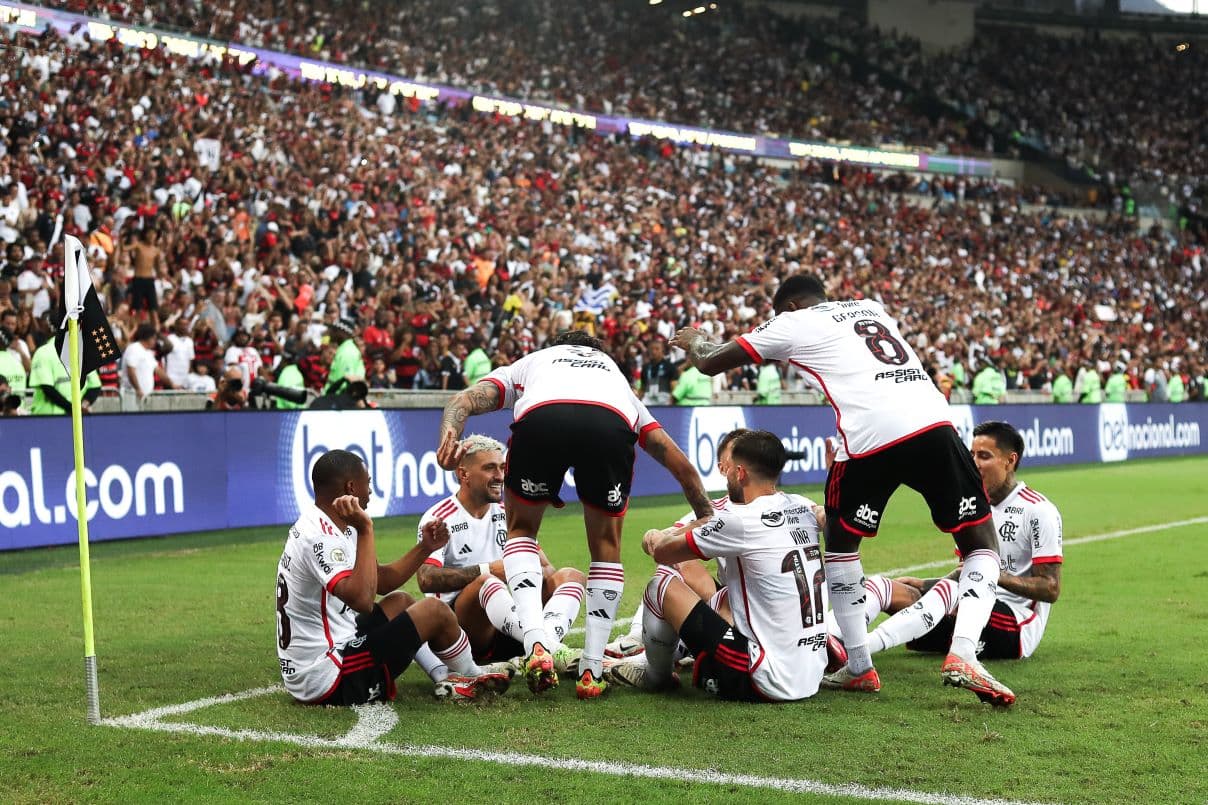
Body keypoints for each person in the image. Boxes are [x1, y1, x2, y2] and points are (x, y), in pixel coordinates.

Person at [672, 273, 1016, 706]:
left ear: (791, 306)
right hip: (933, 422)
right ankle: (965, 651)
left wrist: (696, 340)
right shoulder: (872, 306)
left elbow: (710, 361)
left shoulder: (794, 321)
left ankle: (859, 666)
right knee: (979, 544)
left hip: (870, 435)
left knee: (839, 545)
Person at [436, 330, 711, 700]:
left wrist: (451, 432)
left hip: (542, 419)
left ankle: (536, 644)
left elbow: (464, 400)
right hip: (608, 424)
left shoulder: (534, 362)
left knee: (520, 531)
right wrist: (706, 512)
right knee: (605, 548)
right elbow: (672, 456)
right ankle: (591, 671)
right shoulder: (613, 377)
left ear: (555, 346)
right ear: (596, 352)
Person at [275, 449, 514, 705]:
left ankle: (445, 674)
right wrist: (366, 528)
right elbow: (363, 601)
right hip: (328, 676)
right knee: (434, 611)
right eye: (368, 483)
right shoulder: (320, 536)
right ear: (351, 487)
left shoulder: (331, 523)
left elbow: (382, 580)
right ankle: (472, 675)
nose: (371, 491)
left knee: (401, 601)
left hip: (326, 657)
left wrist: (425, 548)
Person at [625, 430, 827, 701]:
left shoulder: (737, 519)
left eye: (730, 467)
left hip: (764, 678)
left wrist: (671, 533)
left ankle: (655, 676)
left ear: (740, 473)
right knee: (726, 594)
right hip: (810, 674)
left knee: (660, 585)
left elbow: (663, 554)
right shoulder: (803, 506)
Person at [863, 421, 1062, 661]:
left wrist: (992, 575)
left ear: (1010, 461)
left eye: (985, 456)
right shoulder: (974, 507)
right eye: (972, 455)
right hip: (970, 604)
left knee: (943, 601)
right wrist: (924, 584)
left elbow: (1050, 588)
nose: (975, 464)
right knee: (890, 588)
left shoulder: (1038, 510)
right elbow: (966, 571)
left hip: (1015, 623)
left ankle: (858, 654)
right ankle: (834, 641)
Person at [417, 435, 586, 669]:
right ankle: (548, 647)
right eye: (489, 468)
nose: (499, 476)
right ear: (463, 474)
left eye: (502, 468)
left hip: (510, 622)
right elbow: (426, 579)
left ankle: (539, 648)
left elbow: (546, 568)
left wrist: (525, 571)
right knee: (486, 581)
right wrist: (489, 569)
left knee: (570, 576)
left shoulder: (509, 512)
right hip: (467, 632)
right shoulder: (439, 518)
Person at [29, 331, 101, 415]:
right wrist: (79, 408)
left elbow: (95, 385)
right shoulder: (80, 349)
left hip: (53, 417)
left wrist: (79, 408)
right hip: (53, 416)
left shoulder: (43, 352)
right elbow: (47, 389)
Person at [121, 323, 174, 411]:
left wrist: (172, 384)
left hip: (145, 396)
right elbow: (131, 371)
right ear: (149, 338)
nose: (155, 341)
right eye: (154, 338)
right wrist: (138, 389)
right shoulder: (134, 349)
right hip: (132, 395)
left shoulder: (148, 353)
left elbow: (158, 371)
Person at [325, 316, 365, 394]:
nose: (330, 333)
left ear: (342, 332)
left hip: (337, 400)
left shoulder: (347, 352)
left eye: (334, 330)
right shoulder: (345, 349)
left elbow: (344, 384)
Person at [639, 338, 677, 404]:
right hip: (648, 399)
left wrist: (671, 403)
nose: (654, 352)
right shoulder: (645, 367)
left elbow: (674, 387)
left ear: (662, 350)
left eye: (657, 349)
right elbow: (643, 387)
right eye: (652, 349)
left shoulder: (670, 366)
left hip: (664, 398)